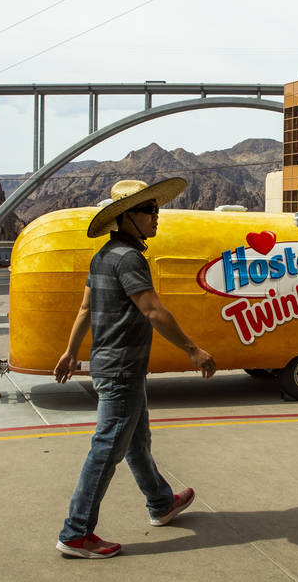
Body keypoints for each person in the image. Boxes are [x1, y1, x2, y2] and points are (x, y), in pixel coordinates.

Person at [53, 177, 216, 560]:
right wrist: (193, 350)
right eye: (148, 211)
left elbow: (84, 309)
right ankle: (76, 533)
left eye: (156, 209)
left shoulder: (104, 256)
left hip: (114, 366)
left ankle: (161, 502)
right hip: (122, 369)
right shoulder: (129, 258)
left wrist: (69, 352)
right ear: (127, 217)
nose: (155, 217)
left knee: (136, 442)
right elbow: (152, 309)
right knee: (107, 448)